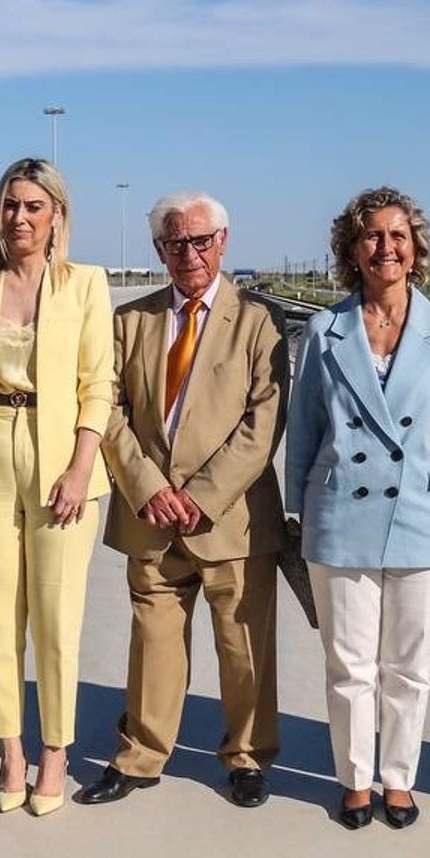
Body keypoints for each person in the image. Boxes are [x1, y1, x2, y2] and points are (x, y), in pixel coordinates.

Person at [286, 186, 430, 830]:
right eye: (372, 235)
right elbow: (306, 424)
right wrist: (298, 508)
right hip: (341, 511)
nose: (386, 247)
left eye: (398, 235)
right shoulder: (325, 330)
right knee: (349, 664)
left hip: (425, 516)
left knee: (408, 664)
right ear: (352, 248)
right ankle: (355, 780)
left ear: (416, 248)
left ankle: (398, 779)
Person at [83, 191, 288, 809]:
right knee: (153, 641)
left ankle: (247, 756)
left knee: (243, 644)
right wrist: (147, 487)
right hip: (151, 516)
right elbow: (107, 409)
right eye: (176, 243)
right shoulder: (130, 321)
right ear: (159, 249)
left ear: (223, 242)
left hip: (232, 518)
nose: (189, 254)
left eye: (201, 241)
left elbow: (264, 421)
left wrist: (199, 496)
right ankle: (141, 754)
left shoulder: (259, 320)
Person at [0, 157, 115, 816]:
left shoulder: (84, 285)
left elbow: (98, 384)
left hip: (60, 457)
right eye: (10, 205)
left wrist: (80, 466)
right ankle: (10, 749)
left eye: (34, 206)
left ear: (57, 217)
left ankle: (55, 750)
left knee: (55, 613)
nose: (20, 216)